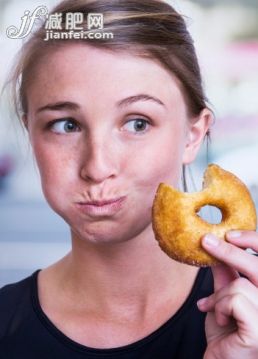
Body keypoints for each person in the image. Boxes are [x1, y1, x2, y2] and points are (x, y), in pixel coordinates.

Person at [1, 0, 258, 358]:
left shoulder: (250, 323)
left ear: (193, 135)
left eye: (137, 123)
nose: (98, 166)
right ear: (31, 133)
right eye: (66, 125)